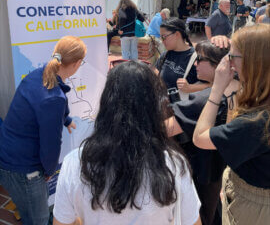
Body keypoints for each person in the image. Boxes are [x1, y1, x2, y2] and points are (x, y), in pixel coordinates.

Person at [53, 61, 201, 225]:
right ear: (153, 105)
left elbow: (62, 221)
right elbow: (192, 221)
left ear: (106, 102)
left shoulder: (75, 163)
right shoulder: (174, 165)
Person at [0, 36, 87, 225]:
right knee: (37, 219)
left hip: (8, 156)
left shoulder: (38, 74)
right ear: (78, 63)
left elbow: (47, 104)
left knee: (30, 209)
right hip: (24, 169)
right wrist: (49, 170)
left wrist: (67, 119)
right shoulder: (53, 98)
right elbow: (51, 145)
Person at [193, 24, 270, 225]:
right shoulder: (263, 101)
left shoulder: (255, 123)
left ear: (253, 63)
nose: (228, 63)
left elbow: (200, 137)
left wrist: (217, 89)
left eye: (232, 57)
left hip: (253, 206)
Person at [165, 41, 239, 225]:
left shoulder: (205, 100)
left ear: (219, 63)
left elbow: (165, 128)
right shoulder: (239, 90)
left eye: (200, 59)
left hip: (200, 172)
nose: (195, 64)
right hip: (219, 171)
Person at [156, 18, 209, 95]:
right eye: (161, 37)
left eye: (164, 37)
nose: (162, 40)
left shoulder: (196, 58)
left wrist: (190, 88)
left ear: (177, 34)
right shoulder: (165, 55)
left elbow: (211, 85)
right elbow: (157, 74)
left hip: (183, 105)